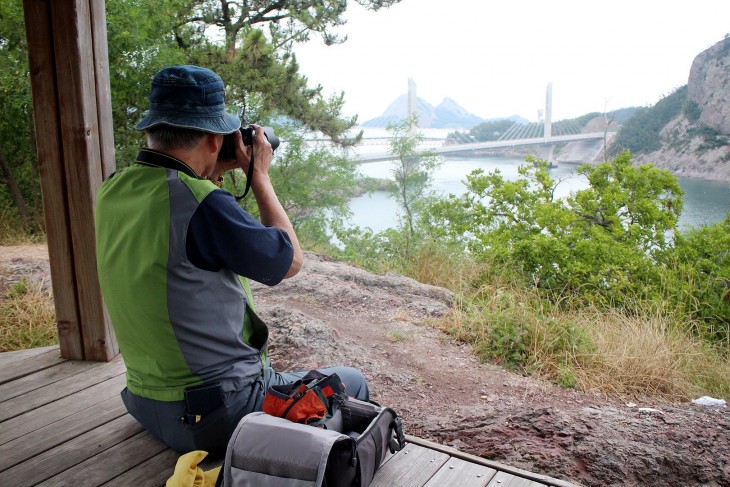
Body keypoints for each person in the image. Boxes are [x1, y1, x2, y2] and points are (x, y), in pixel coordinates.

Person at [95, 64, 369, 454]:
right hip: (218, 416)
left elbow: (177, 209)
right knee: (350, 381)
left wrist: (211, 167)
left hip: (147, 403)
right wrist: (259, 175)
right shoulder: (203, 204)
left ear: (151, 130)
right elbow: (289, 261)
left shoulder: (114, 188)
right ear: (212, 138)